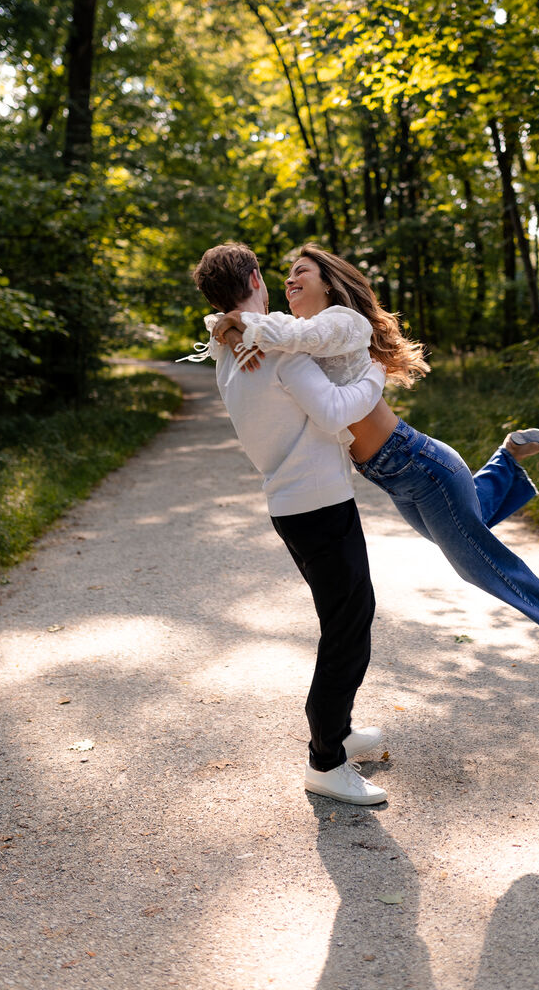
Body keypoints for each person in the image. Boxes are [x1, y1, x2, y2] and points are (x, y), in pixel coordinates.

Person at [210, 245, 539, 668]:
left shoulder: (341, 323)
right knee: (460, 528)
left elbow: (290, 335)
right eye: (285, 275)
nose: (289, 280)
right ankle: (508, 457)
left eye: (301, 272)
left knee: (470, 559)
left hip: (418, 463)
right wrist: (231, 327)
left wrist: (240, 324)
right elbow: (242, 326)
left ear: (329, 281)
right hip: (390, 473)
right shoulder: (299, 329)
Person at [189, 242, 390, 807]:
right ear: (256, 277)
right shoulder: (274, 349)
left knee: (347, 618)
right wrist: (374, 373)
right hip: (319, 503)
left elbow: (222, 324)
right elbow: (332, 411)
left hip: (293, 506)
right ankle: (325, 761)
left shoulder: (229, 346)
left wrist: (234, 325)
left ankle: (340, 732)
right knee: (347, 630)